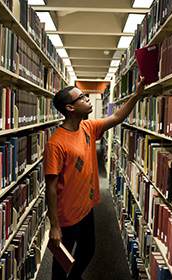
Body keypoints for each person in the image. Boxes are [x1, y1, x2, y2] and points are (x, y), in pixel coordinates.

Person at [43, 73, 145, 280]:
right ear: (70, 108)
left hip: (86, 206)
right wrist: (54, 225)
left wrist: (136, 95)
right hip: (67, 213)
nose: (87, 99)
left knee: (88, 250)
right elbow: (51, 187)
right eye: (81, 97)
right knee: (61, 260)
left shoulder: (88, 127)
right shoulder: (56, 143)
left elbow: (117, 118)